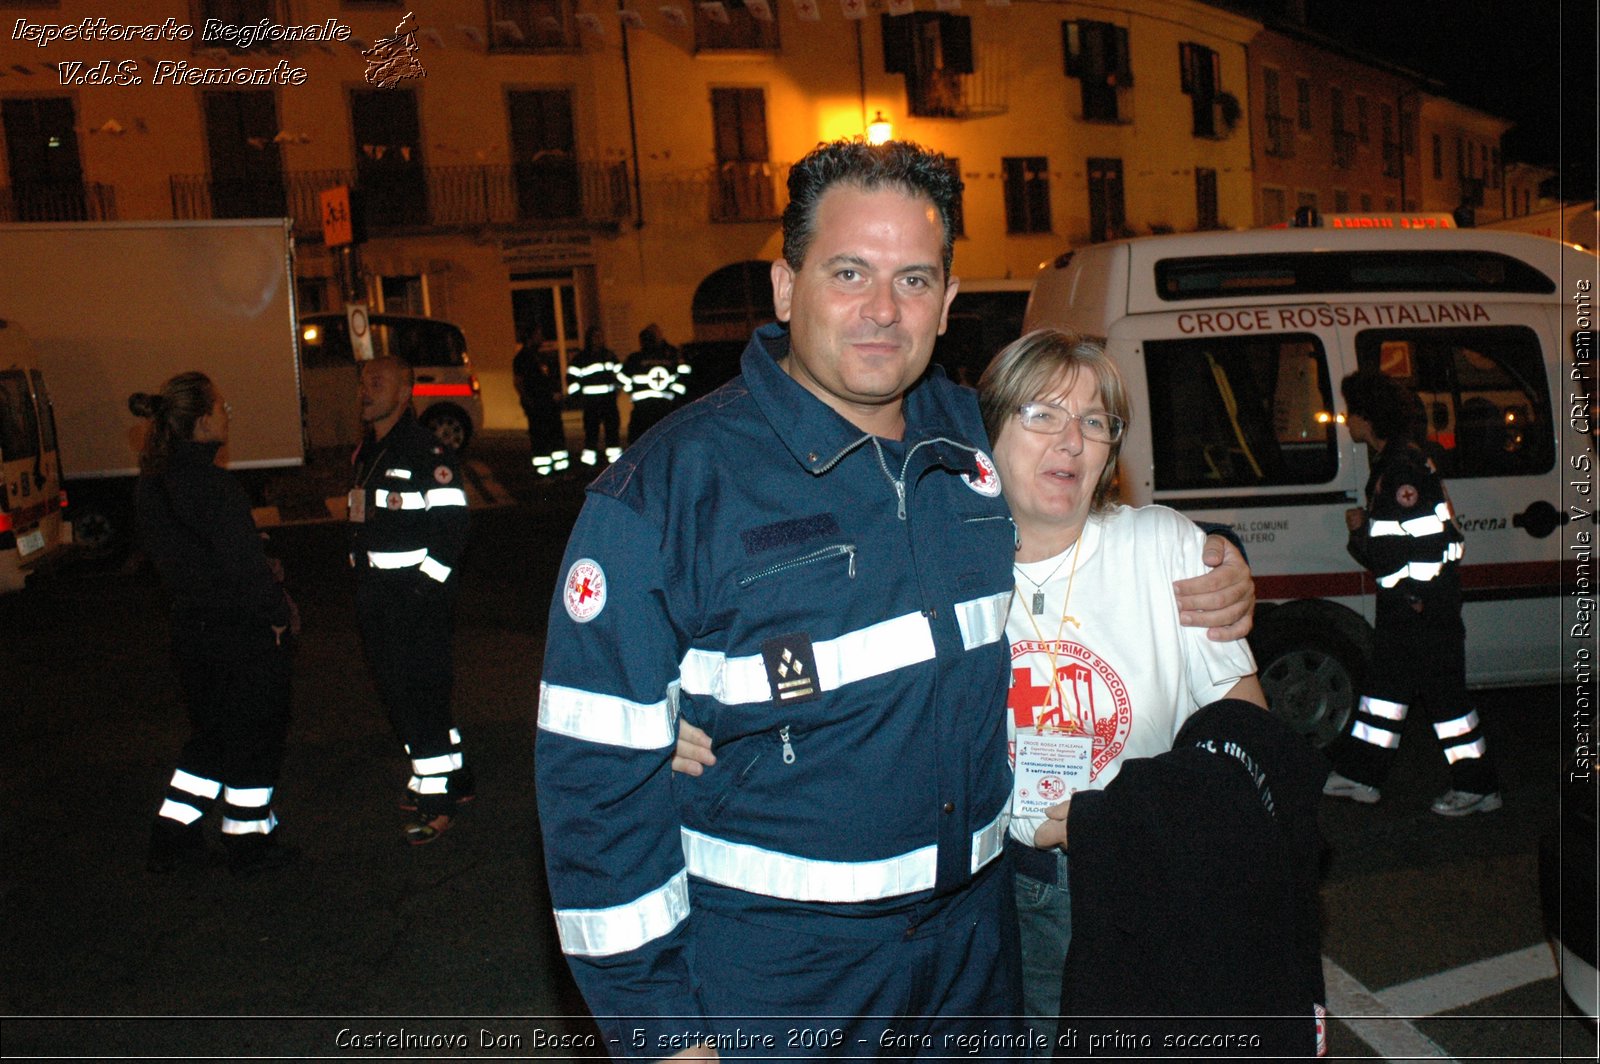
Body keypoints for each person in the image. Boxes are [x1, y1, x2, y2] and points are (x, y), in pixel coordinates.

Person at [536, 140, 1253, 1060]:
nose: (883, 310)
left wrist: (1214, 563)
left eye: (914, 280)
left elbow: (1090, 511)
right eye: (849, 273)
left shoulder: (973, 440)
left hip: (973, 961)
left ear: (949, 304)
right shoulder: (667, 495)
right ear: (786, 287)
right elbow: (593, 796)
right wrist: (665, 1038)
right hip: (779, 981)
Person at [976, 330, 1278, 1050]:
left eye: (1094, 422)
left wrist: (1123, 823)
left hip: (1144, 876)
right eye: (1041, 414)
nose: (1071, 442)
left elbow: (1246, 732)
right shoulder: (946, 560)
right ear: (989, 432)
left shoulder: (1165, 548)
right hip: (990, 892)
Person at [133, 372, 297, 878]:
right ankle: (248, 844)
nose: (227, 415)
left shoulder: (151, 484)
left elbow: (188, 558)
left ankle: (173, 832)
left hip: (190, 630)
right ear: (202, 421)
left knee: (210, 737)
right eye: (222, 407)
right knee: (252, 740)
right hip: (239, 633)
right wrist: (277, 618)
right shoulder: (216, 485)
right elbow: (241, 566)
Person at [1323, 370, 1500, 816]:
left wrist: (1410, 595)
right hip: (1413, 607)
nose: (1346, 420)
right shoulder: (1402, 461)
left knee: (1447, 703)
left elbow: (1423, 544)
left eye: (1352, 412)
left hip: (1419, 609)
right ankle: (1361, 776)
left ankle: (1478, 787)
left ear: (1369, 417)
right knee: (1385, 692)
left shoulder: (1400, 469)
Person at [349, 357, 474, 845]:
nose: (365, 389)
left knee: (415, 697)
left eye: (377, 382)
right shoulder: (368, 452)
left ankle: (436, 802)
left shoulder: (427, 451)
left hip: (413, 601)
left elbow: (453, 530)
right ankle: (452, 777)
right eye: (362, 381)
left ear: (404, 392)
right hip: (378, 598)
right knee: (416, 696)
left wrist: (423, 590)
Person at [512, 327, 569, 477]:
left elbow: (549, 378)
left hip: (550, 404)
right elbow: (519, 382)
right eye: (538, 335)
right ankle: (544, 472)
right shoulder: (522, 358)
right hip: (537, 405)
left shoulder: (540, 355)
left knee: (556, 436)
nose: (542, 338)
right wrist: (528, 400)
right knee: (540, 437)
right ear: (530, 337)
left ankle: (560, 469)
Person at [565, 324, 624, 467]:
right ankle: (588, 463)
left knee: (612, 431)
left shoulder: (609, 356)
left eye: (600, 336)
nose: (599, 339)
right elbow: (572, 379)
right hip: (591, 403)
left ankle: (614, 462)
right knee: (591, 433)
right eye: (596, 336)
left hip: (608, 401)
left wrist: (618, 389)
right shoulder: (581, 358)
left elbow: (621, 375)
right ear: (589, 339)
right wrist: (579, 397)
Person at [622, 323, 691, 444]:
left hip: (658, 408)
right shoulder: (638, 358)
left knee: (649, 441)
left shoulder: (669, 355)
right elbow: (624, 377)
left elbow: (683, 376)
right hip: (649, 409)